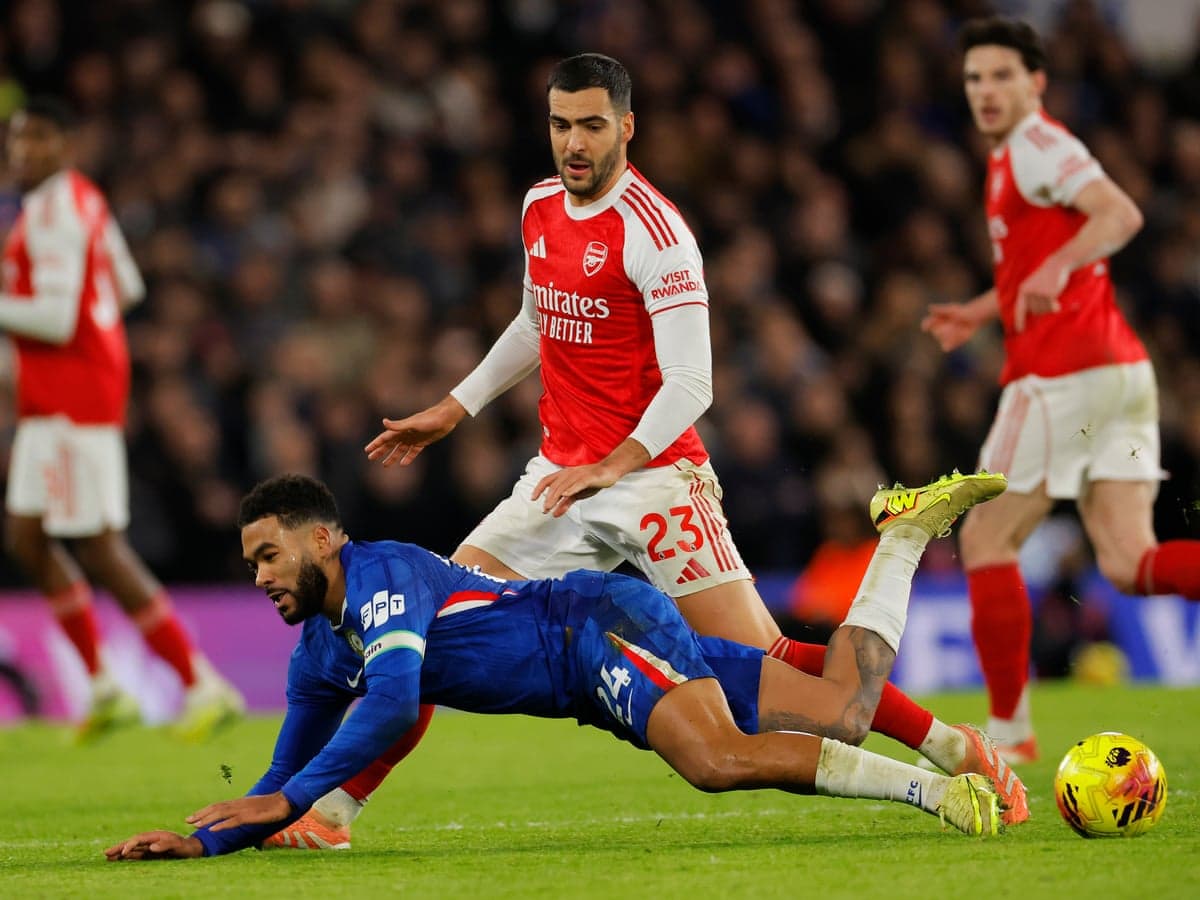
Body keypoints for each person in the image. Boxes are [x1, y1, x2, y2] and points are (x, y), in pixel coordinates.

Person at [266, 52, 1026, 848]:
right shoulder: (537, 208)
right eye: (560, 125)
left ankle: (952, 743)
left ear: (627, 126)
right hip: (559, 483)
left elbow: (693, 383)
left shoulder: (657, 234)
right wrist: (458, 405)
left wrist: (616, 462)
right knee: (432, 629)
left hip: (656, 478)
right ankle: (334, 816)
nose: (574, 143)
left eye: (592, 125)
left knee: (779, 677)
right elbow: (537, 320)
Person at [105, 469, 1010, 861]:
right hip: (594, 656)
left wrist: (303, 804)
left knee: (716, 760)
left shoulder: (382, 576)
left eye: (269, 556)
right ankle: (905, 540)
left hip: (594, 626)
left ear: (324, 541)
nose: (259, 577)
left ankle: (938, 795)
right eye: (250, 564)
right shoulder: (316, 654)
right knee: (842, 705)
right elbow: (278, 776)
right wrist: (203, 840)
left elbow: (390, 706)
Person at [921, 17, 1200, 764]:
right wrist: (985, 307)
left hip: (1063, 377)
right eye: (975, 77)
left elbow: (1121, 214)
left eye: (1002, 76)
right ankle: (1009, 734)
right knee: (1128, 561)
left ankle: (1007, 739)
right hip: (1120, 374)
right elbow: (1034, 264)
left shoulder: (1040, 145)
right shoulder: (1013, 158)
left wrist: (1058, 267)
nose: (985, 91)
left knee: (985, 536)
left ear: (1036, 82)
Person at [0, 97, 244, 741]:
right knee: (27, 534)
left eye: (39, 139)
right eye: (17, 140)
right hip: (55, 396)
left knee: (99, 546)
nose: (23, 151)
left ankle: (200, 682)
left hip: (73, 398)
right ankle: (105, 687)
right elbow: (126, 285)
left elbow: (53, 319)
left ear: (65, 146)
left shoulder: (51, 214)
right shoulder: (83, 198)